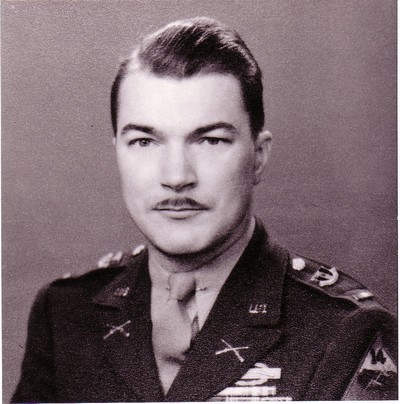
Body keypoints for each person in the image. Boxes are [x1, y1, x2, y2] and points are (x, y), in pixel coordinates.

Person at [12, 17, 397, 402]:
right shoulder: (66, 313)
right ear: (117, 153)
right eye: (144, 142)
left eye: (210, 140)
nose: (176, 177)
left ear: (258, 156)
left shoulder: (343, 330)